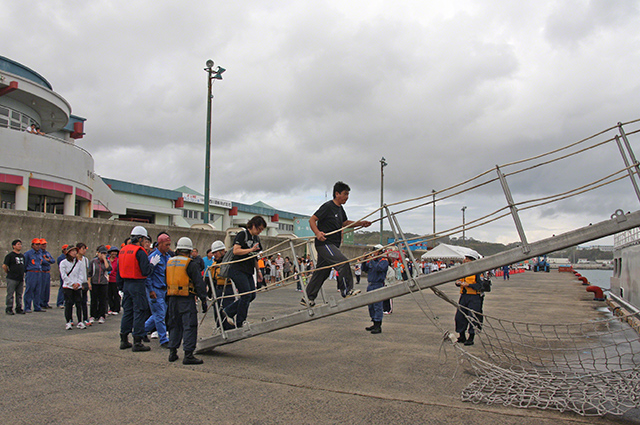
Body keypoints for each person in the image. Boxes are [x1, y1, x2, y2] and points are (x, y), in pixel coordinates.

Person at [303, 181, 371, 307]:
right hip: (325, 244)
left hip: (333, 245)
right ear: (337, 193)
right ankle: (347, 291)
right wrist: (317, 233)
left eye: (348, 194)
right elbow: (312, 219)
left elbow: (345, 222)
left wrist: (361, 223)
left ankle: (308, 297)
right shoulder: (328, 206)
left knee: (322, 272)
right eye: (345, 194)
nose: (347, 197)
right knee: (343, 263)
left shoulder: (340, 209)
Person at [165, 237, 208, 364]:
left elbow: (165, 280)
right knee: (189, 326)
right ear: (189, 251)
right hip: (186, 299)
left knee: (174, 325)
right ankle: (188, 355)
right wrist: (203, 299)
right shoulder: (190, 264)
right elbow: (198, 283)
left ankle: (172, 352)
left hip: (172, 299)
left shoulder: (170, 263)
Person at [220, 216, 266, 328]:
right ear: (253, 225)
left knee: (252, 295)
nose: (259, 232)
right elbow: (236, 250)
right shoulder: (243, 235)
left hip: (248, 270)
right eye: (259, 229)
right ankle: (241, 322)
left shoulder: (256, 239)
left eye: (261, 230)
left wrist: (258, 271)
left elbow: (255, 256)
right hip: (237, 269)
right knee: (246, 295)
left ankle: (229, 311)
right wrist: (250, 250)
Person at [118, 226, 158, 352]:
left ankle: (124, 339)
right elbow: (145, 271)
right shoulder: (140, 251)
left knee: (128, 312)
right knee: (140, 311)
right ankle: (137, 341)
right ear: (140, 238)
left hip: (126, 284)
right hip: (137, 284)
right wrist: (152, 264)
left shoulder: (123, 250)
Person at [144, 233, 172, 348]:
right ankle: (163, 340)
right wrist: (151, 290)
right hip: (155, 289)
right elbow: (148, 275)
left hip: (164, 289)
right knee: (160, 315)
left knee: (159, 314)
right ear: (159, 244)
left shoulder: (168, 257)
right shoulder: (154, 257)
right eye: (166, 245)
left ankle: (140, 330)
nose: (168, 247)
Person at [454, 255, 485, 346]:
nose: (465, 260)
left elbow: (480, 285)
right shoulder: (463, 271)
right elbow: (459, 280)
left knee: (473, 317)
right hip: (464, 296)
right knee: (459, 317)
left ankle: (471, 337)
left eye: (467, 259)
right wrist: (457, 283)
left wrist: (469, 285)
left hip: (474, 297)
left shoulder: (478, 272)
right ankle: (461, 335)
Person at [362, 244, 389, 334]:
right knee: (371, 306)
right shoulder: (373, 261)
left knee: (377, 306)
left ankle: (378, 325)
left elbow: (379, 268)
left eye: (376, 251)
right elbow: (364, 269)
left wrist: (371, 260)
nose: (374, 253)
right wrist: (364, 260)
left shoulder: (383, 261)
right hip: (371, 284)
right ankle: (374, 322)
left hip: (378, 284)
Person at [59, 245, 86, 329]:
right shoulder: (63, 263)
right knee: (68, 304)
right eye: (72, 251)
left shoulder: (79, 263)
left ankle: (80, 321)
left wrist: (78, 283)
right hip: (68, 286)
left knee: (79, 304)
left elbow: (81, 274)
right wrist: (71, 284)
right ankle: (68, 321)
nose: (74, 253)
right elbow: (63, 275)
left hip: (77, 286)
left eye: (75, 251)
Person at [88, 246, 112, 324]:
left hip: (103, 283)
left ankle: (101, 315)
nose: (103, 255)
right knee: (94, 299)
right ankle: (93, 315)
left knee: (103, 300)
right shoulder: (93, 261)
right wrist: (89, 283)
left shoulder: (107, 261)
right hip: (95, 282)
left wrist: (105, 259)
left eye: (105, 253)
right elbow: (90, 272)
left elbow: (108, 268)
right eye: (102, 253)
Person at [209, 240, 234, 313]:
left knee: (227, 314)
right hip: (217, 291)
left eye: (216, 252)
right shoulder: (214, 265)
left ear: (222, 251)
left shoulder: (229, 263)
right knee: (217, 315)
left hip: (228, 290)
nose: (214, 255)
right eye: (213, 253)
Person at [3, 239, 25, 315]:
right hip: (12, 278)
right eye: (18, 244)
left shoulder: (22, 256)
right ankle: (9, 308)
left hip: (20, 278)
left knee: (19, 294)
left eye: (20, 244)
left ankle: (19, 308)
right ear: (14, 246)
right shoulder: (10, 256)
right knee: (10, 294)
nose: (20, 246)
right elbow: (4, 266)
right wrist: (8, 272)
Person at [23, 238, 44, 313]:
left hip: (39, 272)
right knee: (30, 290)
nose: (38, 246)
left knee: (38, 290)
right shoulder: (28, 254)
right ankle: (27, 307)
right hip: (31, 272)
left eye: (39, 245)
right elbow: (25, 264)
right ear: (32, 245)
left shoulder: (40, 253)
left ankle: (37, 306)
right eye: (36, 244)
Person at [75, 243, 91, 326]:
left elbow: (87, 271)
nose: (84, 251)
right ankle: (78, 319)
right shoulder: (74, 259)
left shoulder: (85, 260)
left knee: (84, 301)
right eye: (83, 249)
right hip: (77, 283)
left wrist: (88, 282)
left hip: (84, 282)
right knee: (77, 302)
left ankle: (85, 318)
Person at [39, 239, 55, 309]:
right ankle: (40, 303)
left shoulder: (47, 253)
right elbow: (42, 262)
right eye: (43, 244)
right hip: (42, 272)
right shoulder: (39, 253)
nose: (44, 246)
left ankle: (45, 302)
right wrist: (48, 261)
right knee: (41, 288)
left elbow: (53, 260)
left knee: (47, 289)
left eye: (45, 244)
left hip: (47, 272)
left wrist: (48, 260)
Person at [107, 247, 121, 315]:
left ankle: (116, 308)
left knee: (115, 294)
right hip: (108, 279)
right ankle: (111, 308)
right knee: (109, 295)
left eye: (115, 252)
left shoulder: (118, 260)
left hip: (115, 279)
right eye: (113, 252)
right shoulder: (107, 260)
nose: (114, 253)